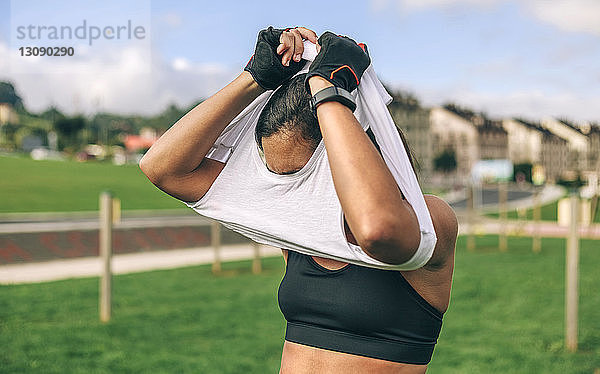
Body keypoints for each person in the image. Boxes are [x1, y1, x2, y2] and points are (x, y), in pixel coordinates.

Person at [140, 26, 457, 373]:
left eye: (301, 175)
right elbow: (163, 168)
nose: (292, 187)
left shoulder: (431, 220)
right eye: (282, 175)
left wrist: (328, 91)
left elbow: (376, 229)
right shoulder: (304, 226)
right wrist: (255, 77)